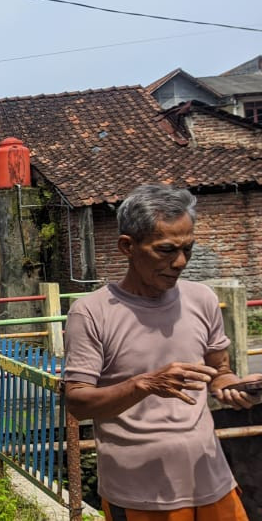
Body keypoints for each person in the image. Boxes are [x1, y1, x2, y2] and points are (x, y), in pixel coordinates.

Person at [64, 183, 261, 521]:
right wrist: (144, 385)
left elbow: (219, 370)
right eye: (167, 250)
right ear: (128, 246)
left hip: (212, 480)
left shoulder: (202, 299)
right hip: (140, 494)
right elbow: (77, 402)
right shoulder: (92, 312)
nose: (180, 262)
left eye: (188, 249)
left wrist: (233, 387)